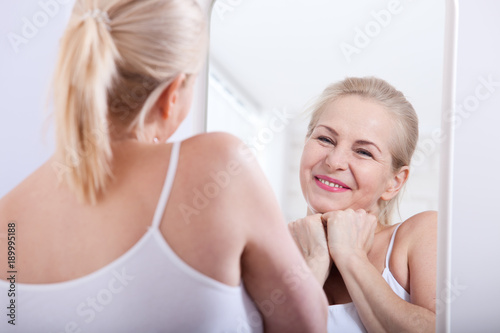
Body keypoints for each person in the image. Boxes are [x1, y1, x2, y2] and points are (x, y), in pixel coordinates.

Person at [0, 1, 327, 332]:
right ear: (172, 93)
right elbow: (308, 326)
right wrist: (316, 263)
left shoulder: (7, 218)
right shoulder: (217, 164)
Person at [288, 77, 437, 332]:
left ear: (394, 182)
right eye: (325, 139)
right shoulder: (268, 248)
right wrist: (314, 264)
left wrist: (351, 257)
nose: (334, 161)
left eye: (364, 152)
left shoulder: (421, 233)